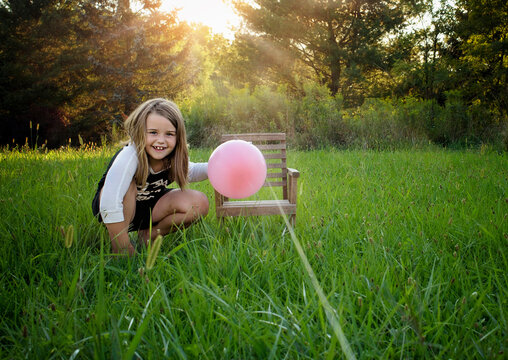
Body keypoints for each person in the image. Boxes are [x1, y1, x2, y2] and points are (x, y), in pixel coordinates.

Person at [92, 98, 209, 256]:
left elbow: (192, 171)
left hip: (150, 207)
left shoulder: (172, 158)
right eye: (153, 132)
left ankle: (148, 236)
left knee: (199, 203)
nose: (161, 140)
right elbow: (109, 201)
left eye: (169, 134)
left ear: (178, 137)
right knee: (128, 187)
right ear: (140, 131)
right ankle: (120, 244)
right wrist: (122, 245)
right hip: (116, 207)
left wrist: (217, 167)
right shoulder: (130, 155)